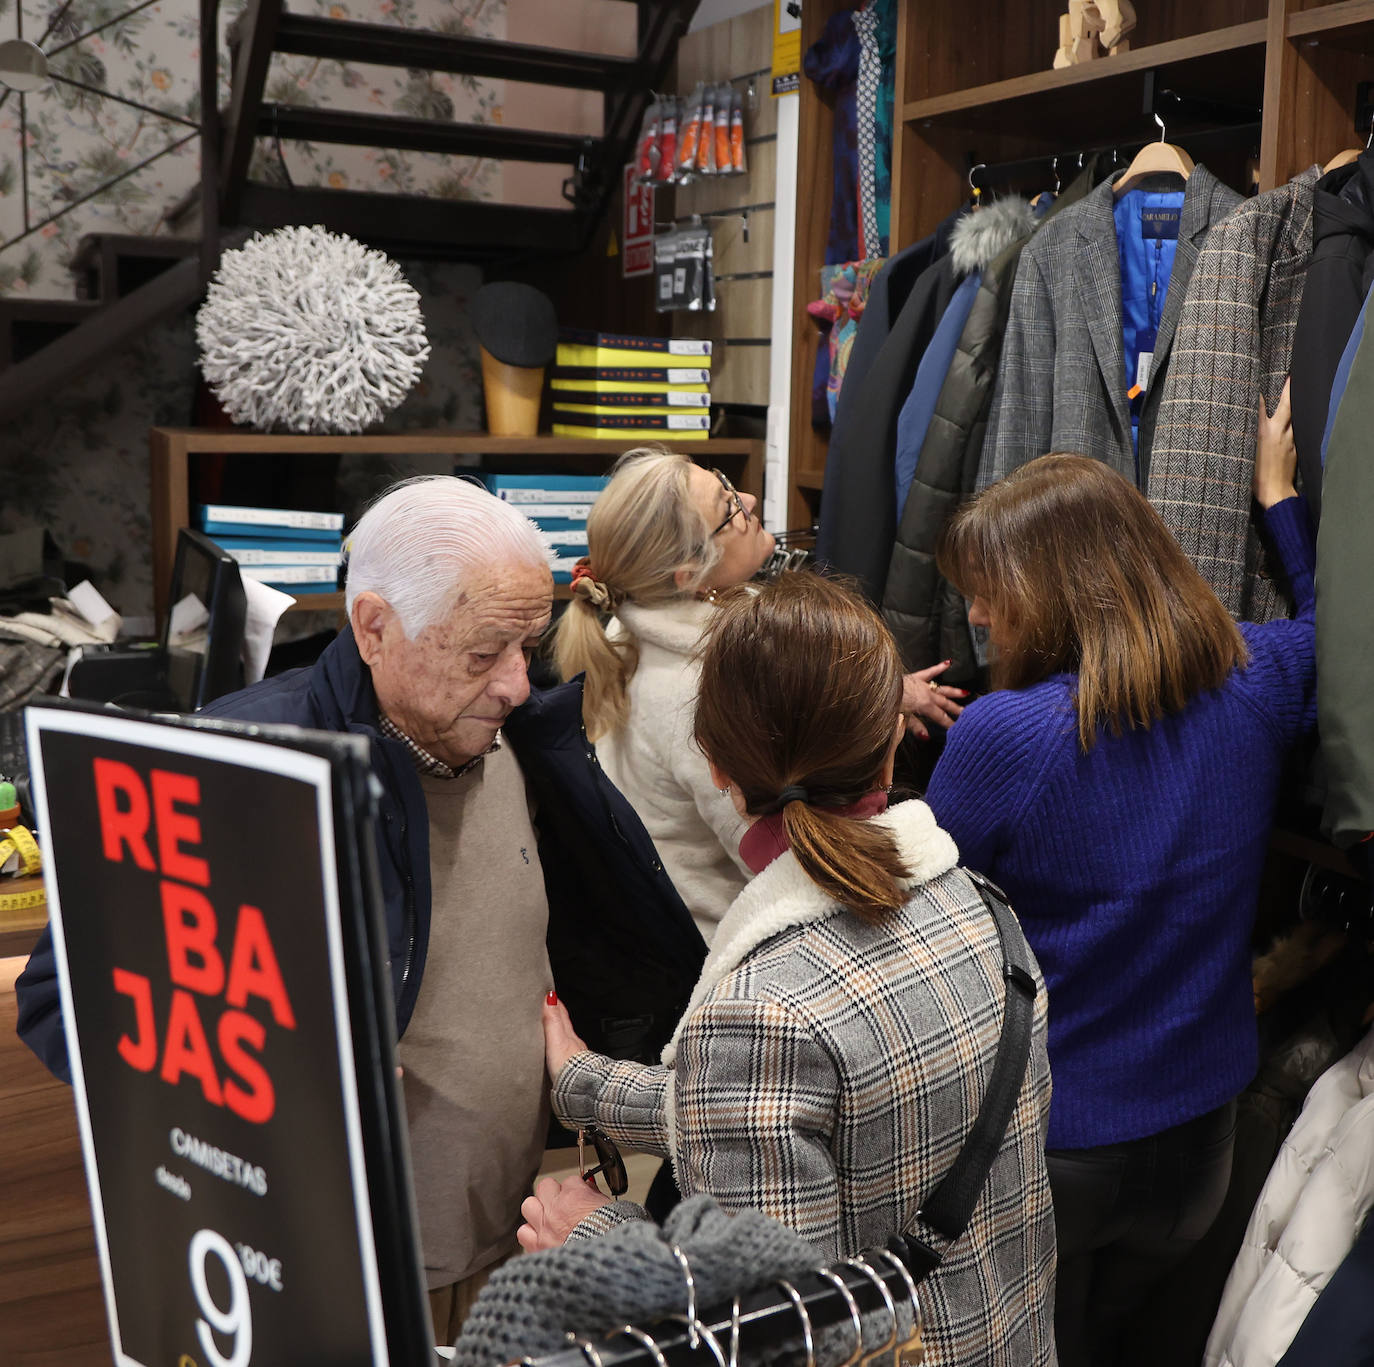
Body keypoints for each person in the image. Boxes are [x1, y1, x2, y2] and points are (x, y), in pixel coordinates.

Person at [15, 475, 707, 1344]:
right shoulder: (246, 766)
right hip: (336, 1271)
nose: (517, 682)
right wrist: (273, 1076)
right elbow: (58, 999)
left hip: (508, 1238)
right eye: (485, 649)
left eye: (528, 645)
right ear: (376, 628)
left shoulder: (519, 738)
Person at [524, 572, 1057, 1367]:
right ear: (887, 741)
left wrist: (596, 1234)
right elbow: (812, 1107)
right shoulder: (980, 908)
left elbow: (777, 1338)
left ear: (716, 767)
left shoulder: (762, 1008)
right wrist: (585, 1082)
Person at [922, 384, 1315, 1367]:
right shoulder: (1255, 681)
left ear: (1056, 591)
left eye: (990, 589)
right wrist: (1280, 503)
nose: (974, 614)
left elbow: (928, 933)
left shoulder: (1005, 733)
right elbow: (1345, 628)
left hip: (1055, 1146)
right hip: (1202, 1146)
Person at [554, 446, 965, 939]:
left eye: (726, 482)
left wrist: (872, 688)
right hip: (737, 945)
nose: (748, 497)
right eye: (729, 509)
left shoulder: (643, 620)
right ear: (690, 572)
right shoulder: (693, 694)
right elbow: (778, 858)